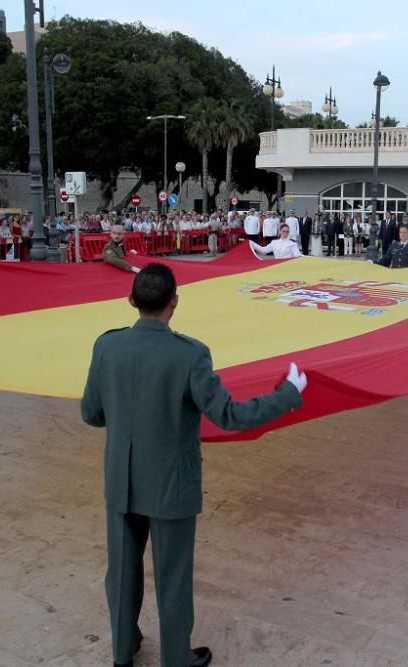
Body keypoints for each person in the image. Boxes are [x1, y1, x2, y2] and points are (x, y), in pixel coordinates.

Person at [81, 263, 306, 667]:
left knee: (121, 576)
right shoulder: (190, 354)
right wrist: (288, 394)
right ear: (174, 303)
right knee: (173, 579)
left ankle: (122, 652)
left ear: (131, 301)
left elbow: (91, 413)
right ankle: (175, 658)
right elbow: (230, 416)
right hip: (171, 486)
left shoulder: (106, 346)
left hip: (121, 481)